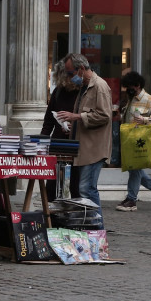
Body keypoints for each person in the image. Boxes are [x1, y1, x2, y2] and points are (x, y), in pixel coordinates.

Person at [56, 53, 112, 213]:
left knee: (87, 189)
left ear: (81, 69)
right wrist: (70, 124)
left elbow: (104, 116)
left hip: (94, 150)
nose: (69, 77)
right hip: (84, 149)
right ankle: (91, 228)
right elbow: (85, 117)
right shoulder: (84, 88)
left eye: (70, 73)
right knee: (84, 190)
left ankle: (97, 228)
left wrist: (77, 116)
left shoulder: (99, 87)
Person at [115, 71, 151, 212]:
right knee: (134, 168)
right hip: (130, 139)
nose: (128, 90)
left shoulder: (149, 100)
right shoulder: (130, 98)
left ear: (137, 85)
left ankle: (131, 199)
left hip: (142, 140)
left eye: (130, 87)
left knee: (135, 169)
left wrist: (145, 120)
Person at [41, 60, 81, 200]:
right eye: (66, 76)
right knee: (52, 181)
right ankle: (50, 211)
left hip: (77, 142)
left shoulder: (83, 91)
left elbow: (90, 116)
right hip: (58, 142)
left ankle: (76, 211)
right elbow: (48, 120)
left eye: (71, 75)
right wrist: (41, 142)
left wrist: (75, 126)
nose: (69, 79)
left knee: (76, 183)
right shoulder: (58, 91)